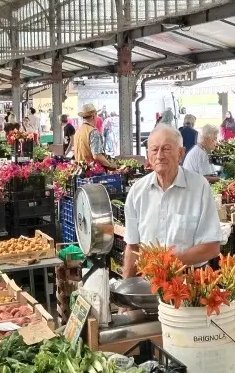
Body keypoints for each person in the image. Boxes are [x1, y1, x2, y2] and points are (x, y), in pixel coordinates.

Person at [122, 125, 222, 277]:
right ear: (148, 155)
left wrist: (167, 264)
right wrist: (126, 286)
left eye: (166, 149)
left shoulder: (199, 187)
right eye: (154, 150)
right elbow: (132, 247)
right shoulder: (137, 191)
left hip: (189, 280)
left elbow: (212, 247)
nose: (159, 156)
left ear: (181, 153)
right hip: (149, 280)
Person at [74, 103, 117, 170]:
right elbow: (97, 156)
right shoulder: (93, 132)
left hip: (79, 170)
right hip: (92, 171)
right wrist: (110, 165)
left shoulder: (78, 131)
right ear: (94, 116)